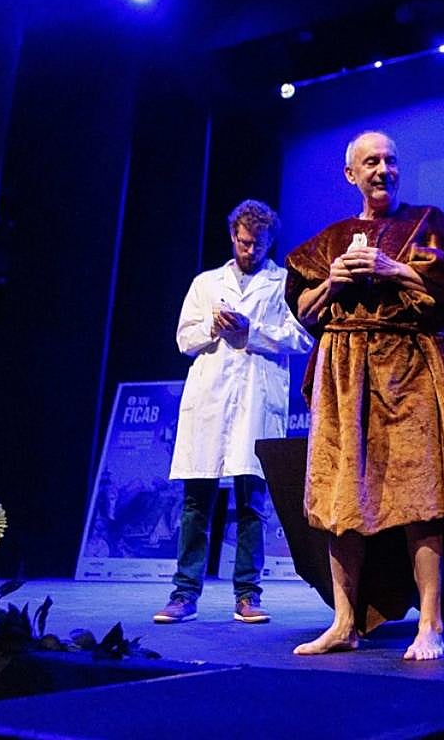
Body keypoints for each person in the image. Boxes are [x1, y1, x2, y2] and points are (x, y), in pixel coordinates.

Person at [285, 131, 444, 661]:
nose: (382, 170)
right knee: (340, 495)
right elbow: (304, 311)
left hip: (410, 366)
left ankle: (431, 622)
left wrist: (394, 269)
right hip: (345, 370)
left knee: (420, 496)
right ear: (351, 174)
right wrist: (332, 282)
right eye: (371, 162)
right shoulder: (330, 240)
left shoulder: (428, 224)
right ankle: (344, 621)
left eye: (390, 161)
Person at [153, 200, 313, 625]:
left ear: (270, 241)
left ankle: (247, 595)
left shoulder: (283, 284)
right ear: (232, 236)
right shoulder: (206, 283)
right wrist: (213, 326)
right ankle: (184, 594)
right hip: (210, 400)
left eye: (258, 244)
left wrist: (251, 331)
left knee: (251, 503)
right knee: (196, 503)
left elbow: (302, 338)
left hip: (256, 399)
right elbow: (184, 339)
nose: (249, 250)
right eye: (243, 242)